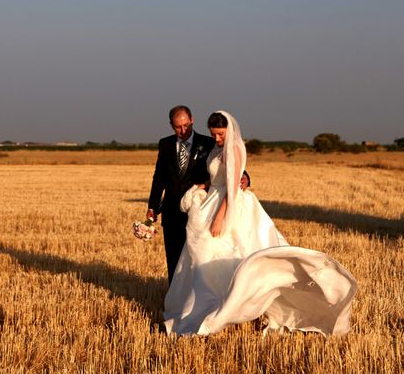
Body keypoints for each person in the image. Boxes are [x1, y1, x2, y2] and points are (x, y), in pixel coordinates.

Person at [163, 111, 357, 335]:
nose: (217, 139)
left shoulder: (234, 148)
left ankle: (232, 306)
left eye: (220, 134)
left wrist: (220, 218)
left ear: (230, 130)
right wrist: (204, 186)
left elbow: (233, 185)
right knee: (204, 258)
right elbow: (217, 176)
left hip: (230, 206)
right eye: (214, 134)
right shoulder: (217, 148)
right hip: (213, 200)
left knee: (234, 253)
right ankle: (214, 304)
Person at [147, 106, 249, 285]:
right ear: (171, 125)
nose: (183, 130)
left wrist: (246, 177)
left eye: (186, 125)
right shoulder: (165, 144)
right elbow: (159, 178)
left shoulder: (210, 141)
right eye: (178, 127)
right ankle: (176, 302)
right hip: (172, 212)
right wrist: (152, 207)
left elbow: (233, 168)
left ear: (192, 120)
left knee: (198, 259)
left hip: (202, 211)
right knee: (174, 261)